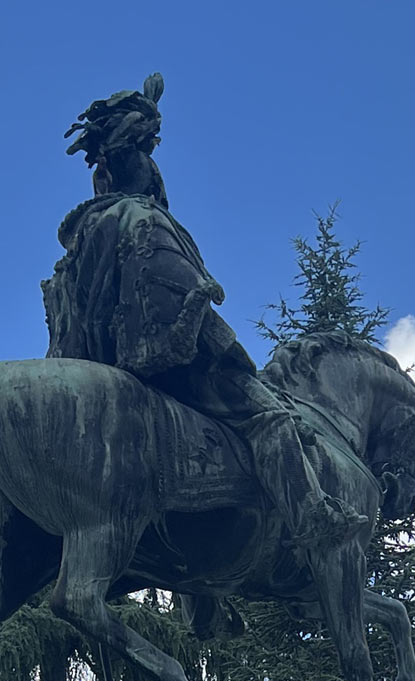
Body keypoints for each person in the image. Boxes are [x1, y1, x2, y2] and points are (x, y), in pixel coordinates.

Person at [42, 73, 367, 562]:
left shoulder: (88, 231)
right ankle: (315, 517)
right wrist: (216, 326)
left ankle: (202, 595)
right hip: (169, 364)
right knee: (273, 418)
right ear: (139, 162)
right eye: (149, 150)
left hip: (102, 363)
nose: (156, 165)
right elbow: (176, 304)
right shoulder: (144, 221)